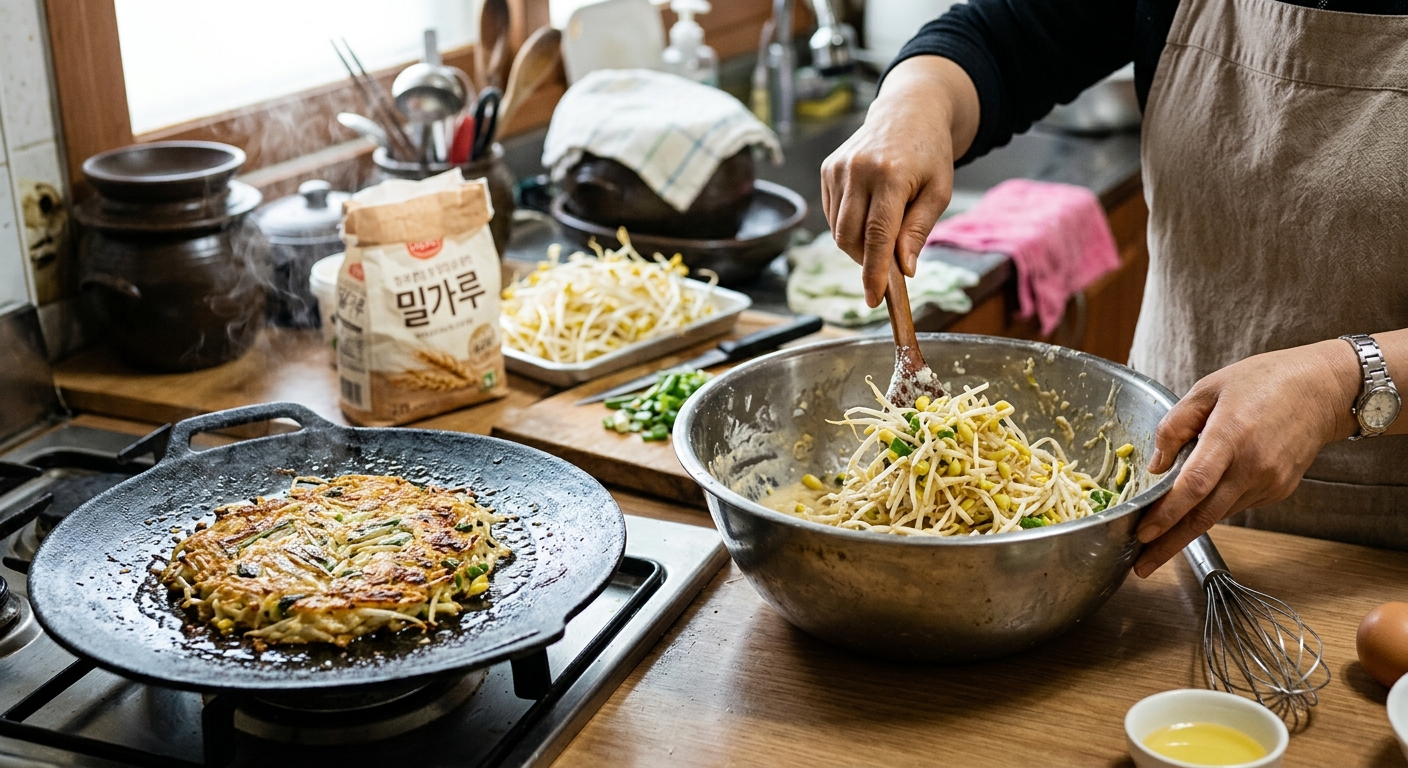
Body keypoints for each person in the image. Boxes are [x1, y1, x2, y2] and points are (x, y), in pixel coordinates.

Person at [820, 0, 1408, 575]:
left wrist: (1336, 385)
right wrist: (911, 102)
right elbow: (1005, 40)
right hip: (1153, 489)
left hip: (1374, 553)